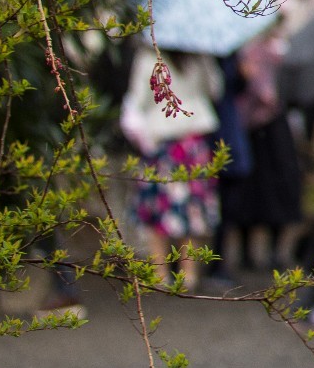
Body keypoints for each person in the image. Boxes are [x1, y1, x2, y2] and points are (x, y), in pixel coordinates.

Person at [119, 46, 223, 285]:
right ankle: (189, 272)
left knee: (159, 209)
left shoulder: (150, 58)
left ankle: (160, 271)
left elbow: (138, 98)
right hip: (193, 143)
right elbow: (215, 90)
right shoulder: (200, 53)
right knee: (191, 209)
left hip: (164, 141)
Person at [217, 29, 303, 276]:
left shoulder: (282, 52)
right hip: (252, 131)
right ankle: (246, 251)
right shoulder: (246, 53)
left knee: (279, 189)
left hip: (276, 131)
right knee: (251, 192)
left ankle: (275, 249)